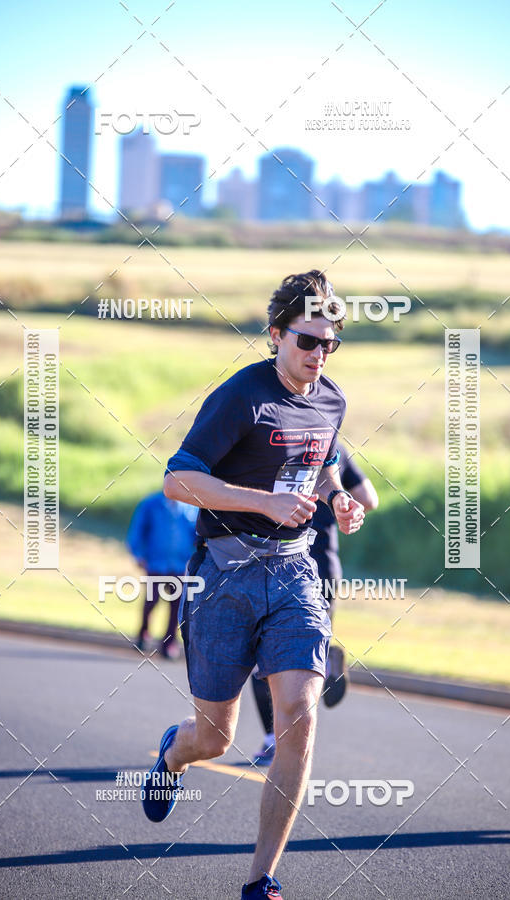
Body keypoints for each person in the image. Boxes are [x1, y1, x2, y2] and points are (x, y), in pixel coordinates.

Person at [142, 270, 366, 900]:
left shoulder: (331, 401)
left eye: (330, 344)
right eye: (307, 341)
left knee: (298, 714)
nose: (318, 355)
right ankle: (173, 754)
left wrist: (340, 500)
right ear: (275, 336)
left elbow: (318, 467)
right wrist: (261, 502)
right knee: (215, 736)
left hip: (296, 572)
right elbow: (177, 480)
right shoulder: (243, 395)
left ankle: (260, 880)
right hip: (224, 573)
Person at [252, 440, 379, 765]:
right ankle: (326, 655)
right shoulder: (337, 450)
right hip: (325, 563)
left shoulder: (274, 441)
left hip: (282, 560)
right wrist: (336, 502)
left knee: (263, 655)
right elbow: (369, 499)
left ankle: (273, 739)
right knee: (307, 645)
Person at [126, 491, 197, 656]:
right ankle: (143, 634)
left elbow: (196, 534)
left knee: (177, 607)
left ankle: (169, 643)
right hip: (156, 563)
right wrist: (138, 555)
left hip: (180, 565)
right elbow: (137, 531)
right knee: (151, 601)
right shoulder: (151, 504)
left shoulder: (191, 507)